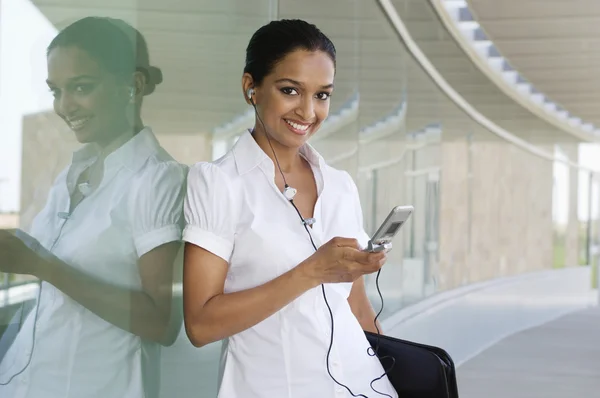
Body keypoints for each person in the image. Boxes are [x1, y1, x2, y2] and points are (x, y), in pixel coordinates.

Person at [182, 19, 397, 398]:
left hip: (364, 387)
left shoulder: (341, 186)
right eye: (290, 90)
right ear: (252, 87)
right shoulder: (218, 184)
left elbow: (359, 310)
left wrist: (394, 378)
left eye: (322, 95)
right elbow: (200, 325)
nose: (308, 111)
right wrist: (313, 271)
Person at [0, 17, 186, 398]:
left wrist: (41, 266)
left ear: (132, 85)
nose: (64, 106)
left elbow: (161, 321)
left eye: (81, 87)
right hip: (28, 381)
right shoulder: (72, 174)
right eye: (56, 91)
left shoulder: (156, 179)